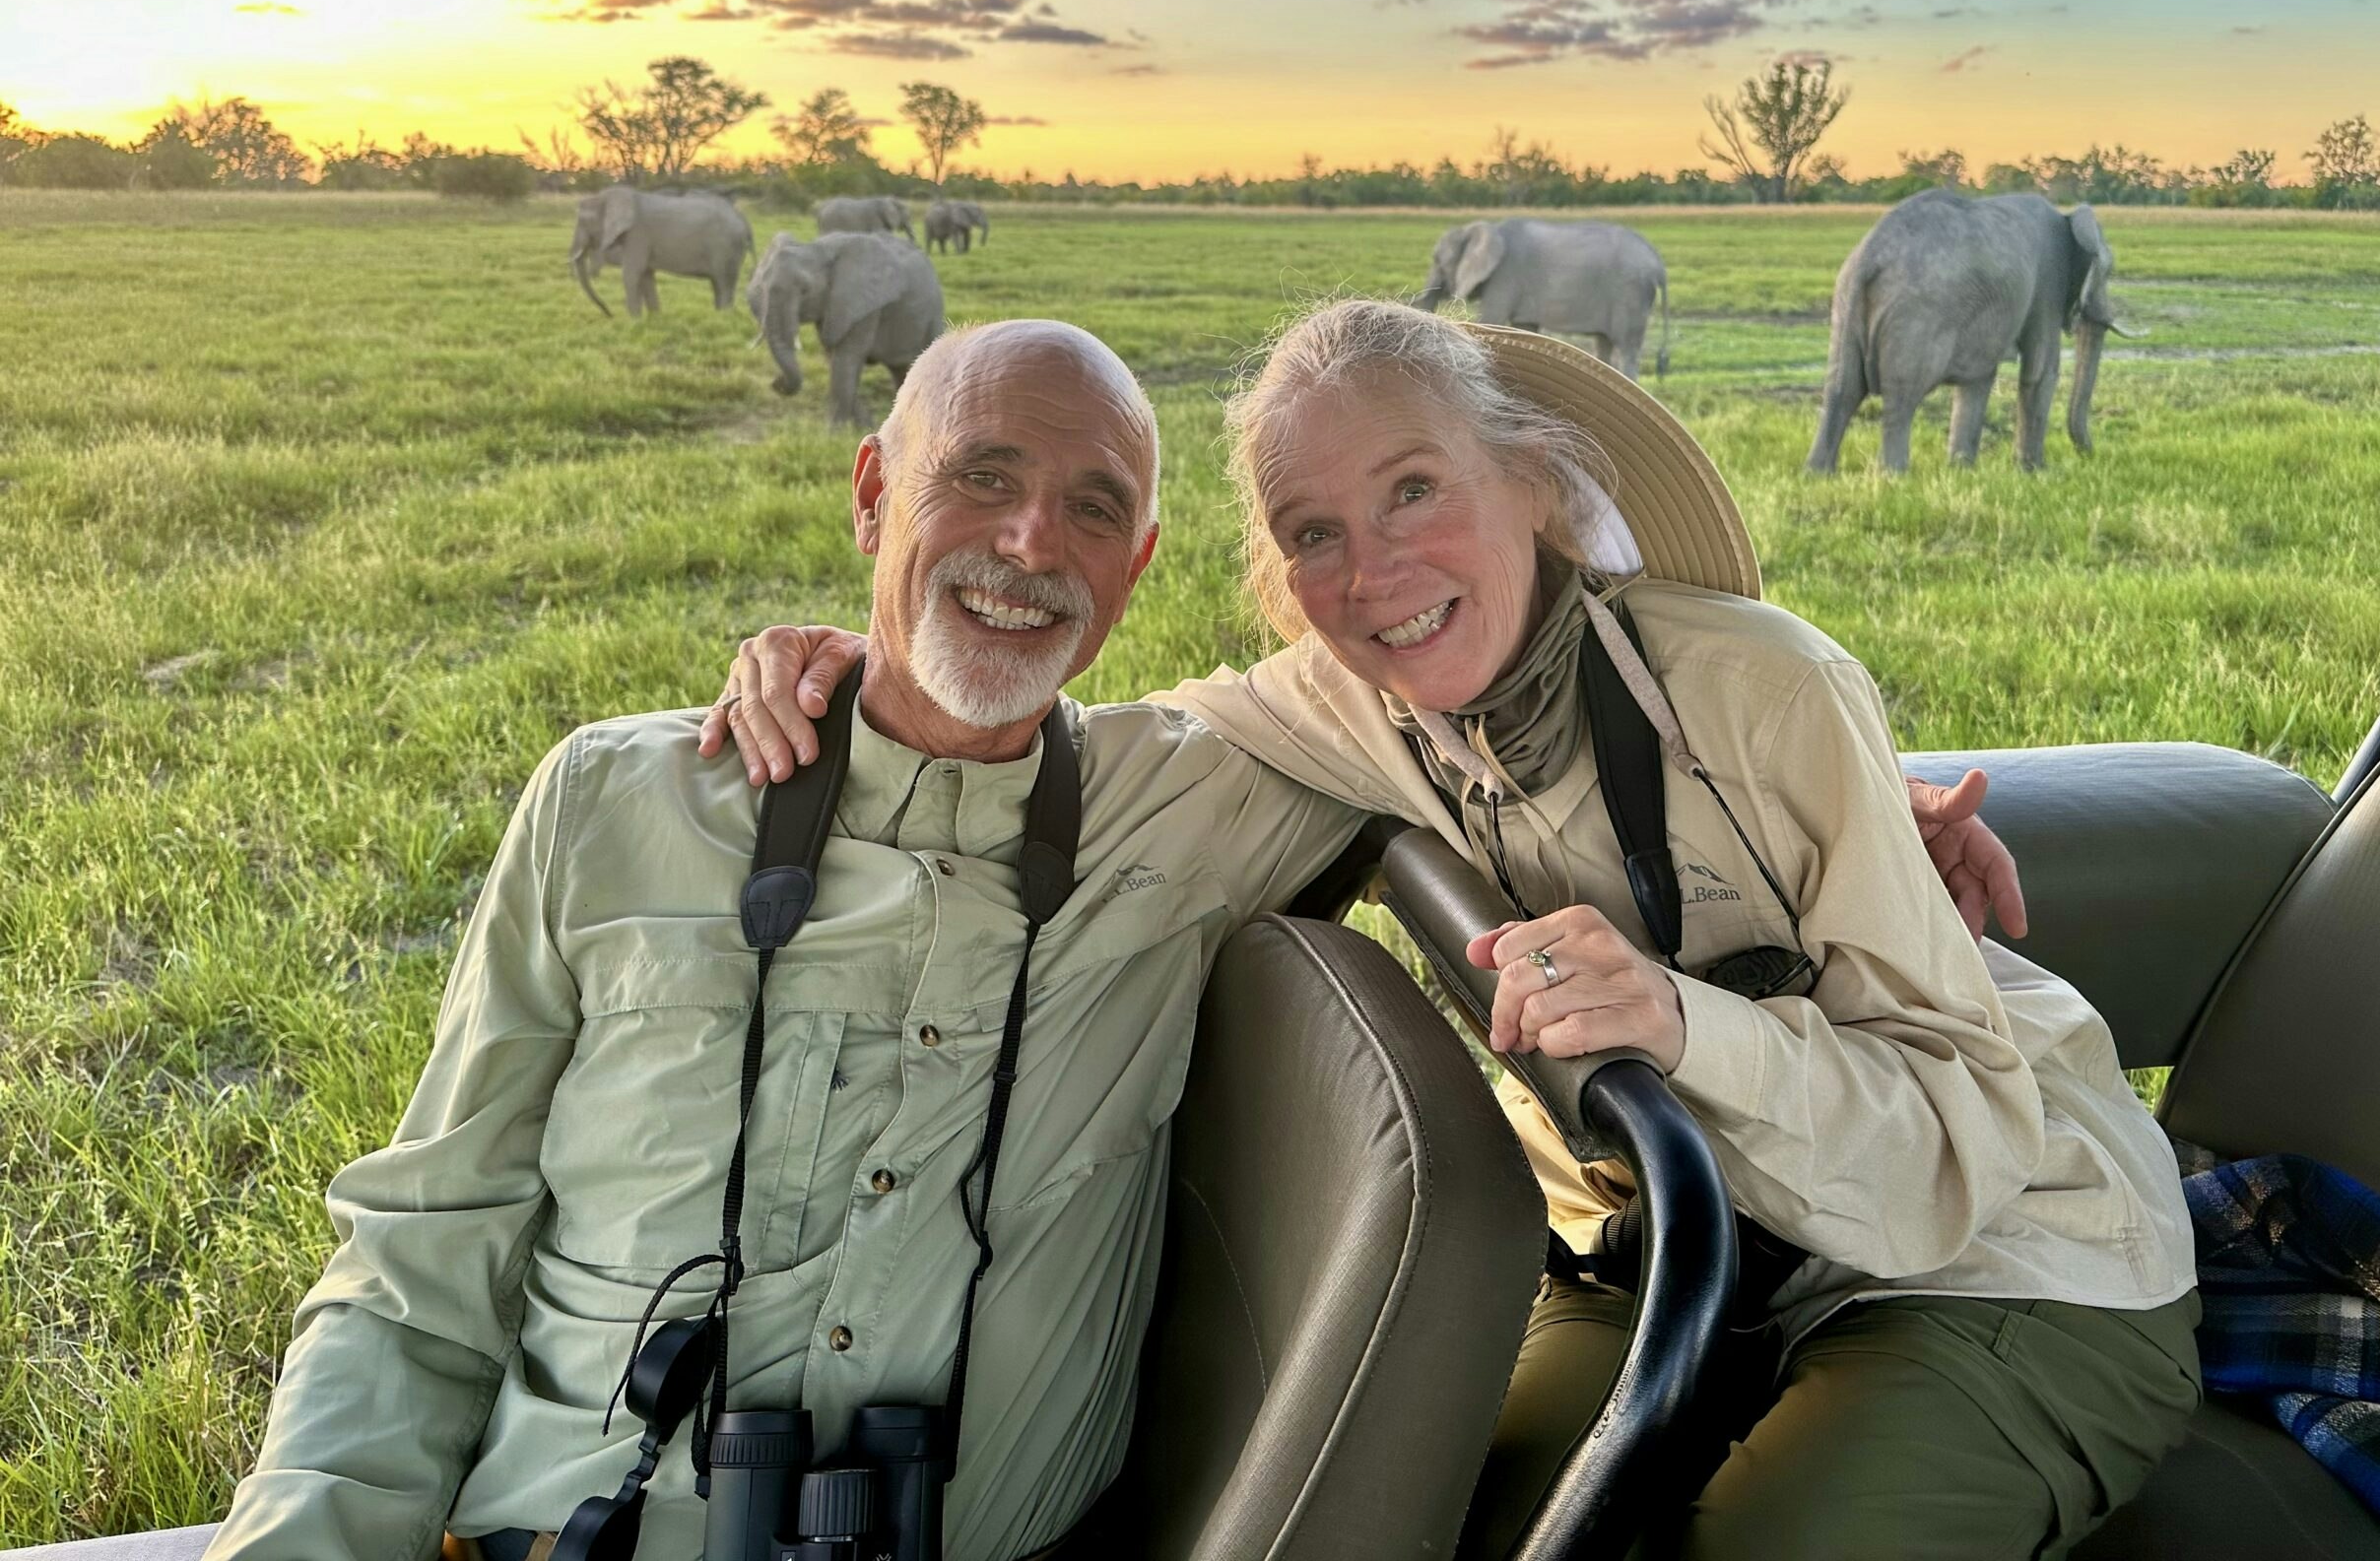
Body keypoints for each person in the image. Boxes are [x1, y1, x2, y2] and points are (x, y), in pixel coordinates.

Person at [710, 301, 2200, 1559]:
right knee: (1454, 1514)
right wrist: (865, 669)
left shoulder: (1771, 696)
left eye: (1414, 490)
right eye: (1315, 534)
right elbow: (1063, 742)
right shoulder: (1347, 697)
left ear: (1534, 486)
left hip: (2006, 1258)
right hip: (1665, 1248)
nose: (1376, 572)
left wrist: (1682, 1023)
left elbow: (1967, 1141)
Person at [206, 321, 1363, 1561]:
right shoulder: (617, 800)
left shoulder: (1193, 804)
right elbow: (425, 1249)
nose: (1032, 543)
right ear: (873, 495)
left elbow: (1460, 645)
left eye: (1092, 508)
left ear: (1133, 568)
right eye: (981, 476)